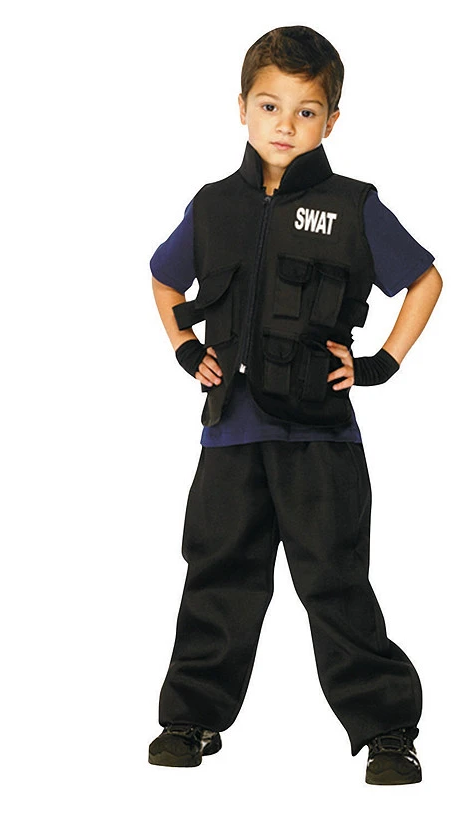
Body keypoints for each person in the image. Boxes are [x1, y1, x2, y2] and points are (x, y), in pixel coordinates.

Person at [147, 25, 443, 785]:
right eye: (270, 106)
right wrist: (184, 346)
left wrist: (381, 363)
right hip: (231, 437)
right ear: (242, 108)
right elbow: (164, 278)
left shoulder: (352, 206)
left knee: (334, 581)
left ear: (330, 121)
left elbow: (425, 280)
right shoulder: (213, 206)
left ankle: (387, 731)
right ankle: (191, 718)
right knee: (217, 574)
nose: (285, 124)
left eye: (306, 111)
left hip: (320, 438)